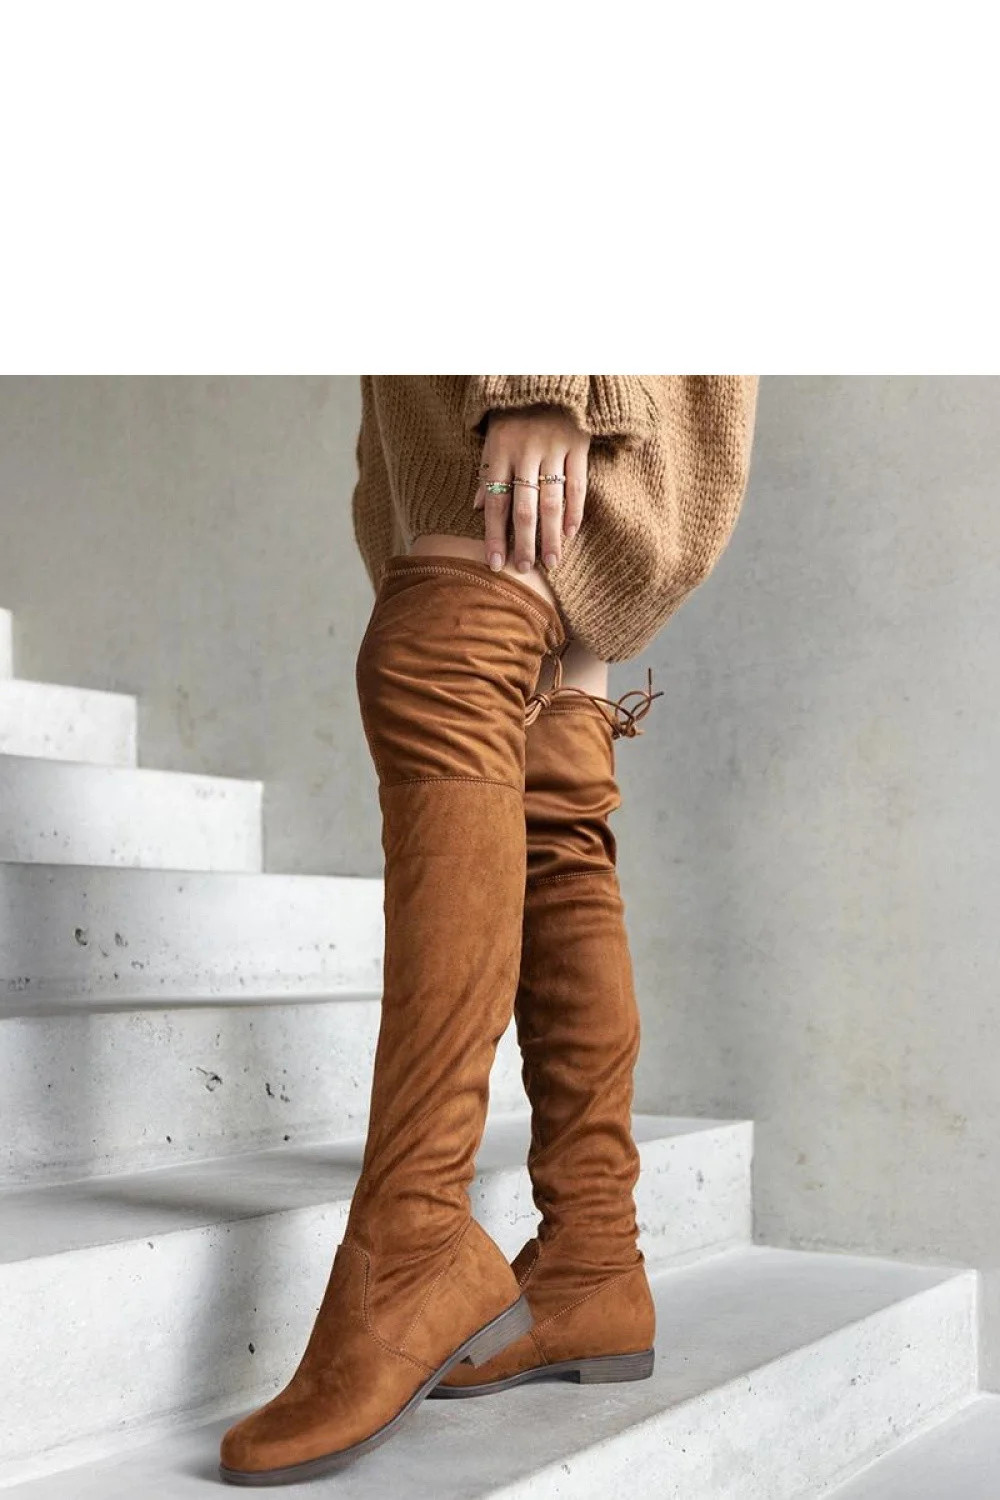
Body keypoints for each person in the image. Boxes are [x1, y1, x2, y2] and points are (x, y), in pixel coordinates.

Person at [219, 375, 759, 1485]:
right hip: (492, 406)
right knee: (552, 791)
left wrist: (548, 380)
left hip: (545, 384)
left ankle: (412, 1243)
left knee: (443, 667)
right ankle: (592, 1262)